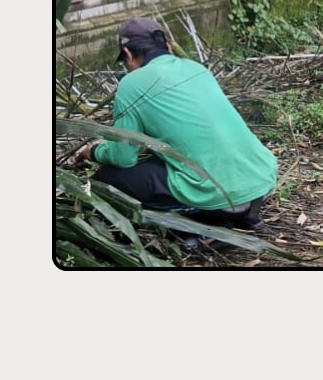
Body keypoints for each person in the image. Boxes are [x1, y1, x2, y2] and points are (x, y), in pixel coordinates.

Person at [71, 17, 277, 230]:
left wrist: (92, 151)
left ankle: (206, 221)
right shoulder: (196, 68)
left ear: (129, 54)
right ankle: (241, 214)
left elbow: (123, 156)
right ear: (168, 47)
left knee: (107, 177)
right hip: (262, 183)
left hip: (220, 199)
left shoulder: (131, 84)